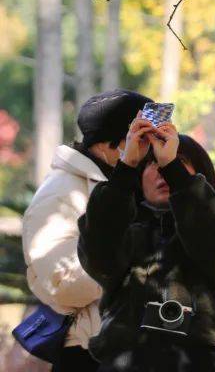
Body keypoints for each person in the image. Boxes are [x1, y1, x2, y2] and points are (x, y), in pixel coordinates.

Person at [77, 113, 215, 371]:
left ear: (200, 175)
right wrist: (126, 166)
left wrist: (174, 170)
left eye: (179, 163)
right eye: (153, 165)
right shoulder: (125, 231)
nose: (163, 173)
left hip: (205, 360)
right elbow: (98, 253)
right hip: (127, 360)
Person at [22, 89, 152, 371]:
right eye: (140, 139)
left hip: (134, 349)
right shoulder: (60, 193)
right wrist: (133, 262)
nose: (146, 150)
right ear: (109, 145)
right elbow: (64, 285)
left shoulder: (129, 183)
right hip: (87, 354)